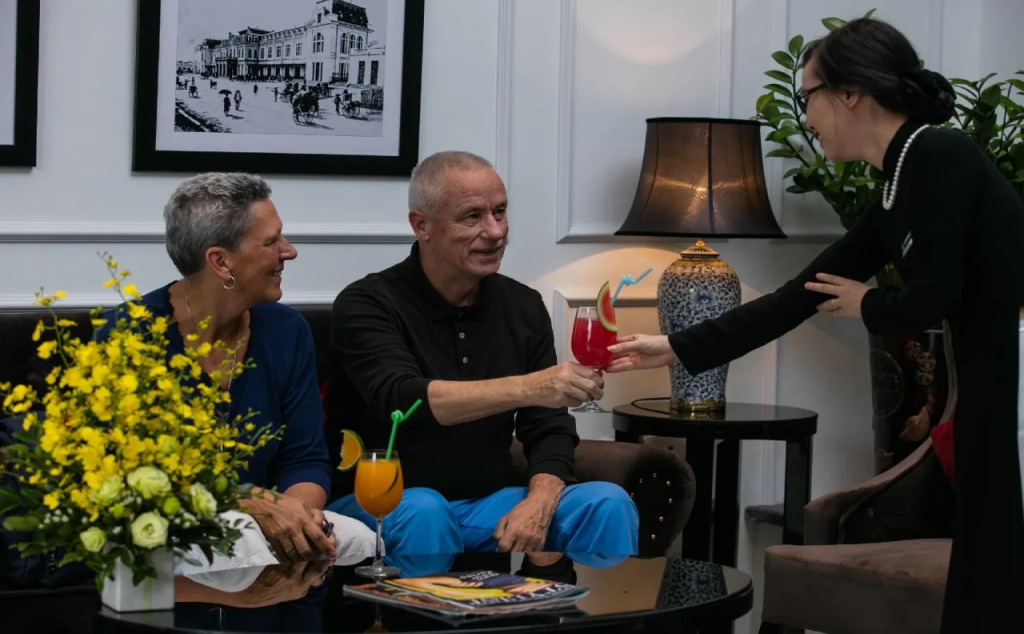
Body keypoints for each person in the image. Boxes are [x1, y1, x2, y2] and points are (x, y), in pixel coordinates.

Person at [605, 18, 1024, 633]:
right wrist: (674, 346)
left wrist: (868, 304)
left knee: (994, 568)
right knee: (985, 569)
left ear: (850, 93)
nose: (806, 117)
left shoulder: (939, 154)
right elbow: (797, 296)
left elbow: (936, 296)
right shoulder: (898, 184)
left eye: (807, 97)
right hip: (988, 379)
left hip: (1010, 380)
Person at [324, 151, 639, 577]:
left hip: (486, 502)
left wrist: (540, 502)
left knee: (608, 505)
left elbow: (547, 427)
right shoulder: (367, 303)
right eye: (472, 216)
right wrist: (532, 386)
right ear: (422, 225)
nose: (495, 231)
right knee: (426, 511)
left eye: (500, 212)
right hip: (385, 501)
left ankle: (570, 604)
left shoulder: (523, 305)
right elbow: (402, 399)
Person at [96, 172, 374, 564]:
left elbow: (305, 459)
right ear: (220, 261)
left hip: (274, 525)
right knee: (234, 547)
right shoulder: (129, 335)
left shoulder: (286, 330)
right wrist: (252, 504)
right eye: (271, 242)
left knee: (360, 539)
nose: (289, 251)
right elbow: (132, 476)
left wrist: (299, 517)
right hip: (169, 525)